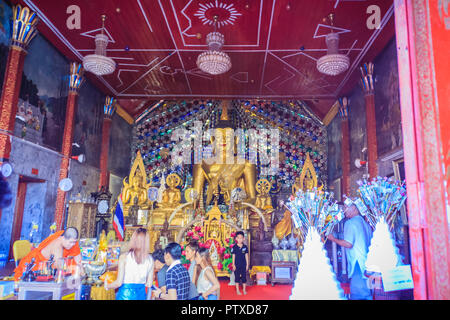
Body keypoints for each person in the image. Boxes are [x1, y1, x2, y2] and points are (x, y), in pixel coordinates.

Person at [328, 202, 373, 300]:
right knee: (368, 292)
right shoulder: (365, 223)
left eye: (346, 207)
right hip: (368, 263)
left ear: (354, 209)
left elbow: (348, 244)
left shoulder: (350, 222)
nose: (344, 210)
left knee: (358, 294)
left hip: (358, 263)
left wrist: (332, 239)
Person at [14, 227, 83, 281]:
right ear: (63, 238)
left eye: (74, 242)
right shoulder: (57, 245)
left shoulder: (71, 238)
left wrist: (81, 271)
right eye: (70, 242)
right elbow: (59, 268)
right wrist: (73, 270)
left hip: (48, 268)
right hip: (34, 267)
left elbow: (78, 259)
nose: (72, 245)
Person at [106, 228, 154, 300]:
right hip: (140, 295)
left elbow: (118, 283)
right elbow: (149, 284)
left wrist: (107, 286)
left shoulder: (124, 257)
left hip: (125, 295)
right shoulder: (150, 260)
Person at [231, 231, 249, 295]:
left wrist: (247, 264)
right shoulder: (234, 247)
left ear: (243, 238)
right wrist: (233, 265)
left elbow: (246, 256)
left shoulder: (245, 247)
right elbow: (233, 256)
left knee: (244, 277)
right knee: (237, 278)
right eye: (238, 238)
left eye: (241, 238)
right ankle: (238, 290)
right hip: (237, 265)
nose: (239, 239)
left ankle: (244, 290)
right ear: (236, 239)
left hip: (243, 265)